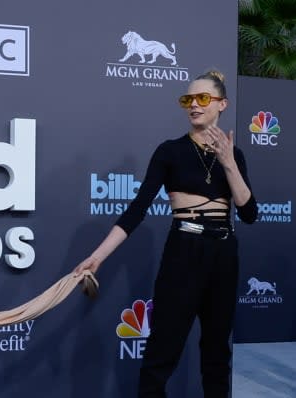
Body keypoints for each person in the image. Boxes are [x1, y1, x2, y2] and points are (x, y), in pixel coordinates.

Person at [74, 70, 257, 397]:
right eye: (188, 99)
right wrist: (97, 256)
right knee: (162, 351)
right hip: (184, 250)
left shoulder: (235, 155)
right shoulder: (170, 151)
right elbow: (137, 209)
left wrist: (228, 163)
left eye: (203, 98)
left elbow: (249, 213)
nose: (194, 106)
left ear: (222, 104)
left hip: (224, 253)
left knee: (217, 353)